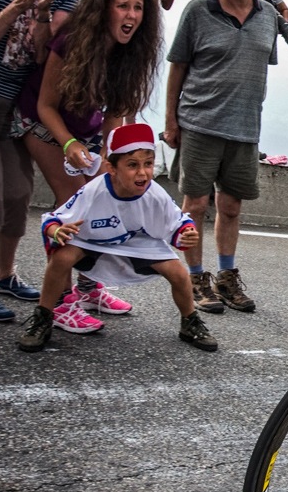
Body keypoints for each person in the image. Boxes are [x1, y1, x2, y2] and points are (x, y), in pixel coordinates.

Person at [11, 0, 161, 334]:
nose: (130, 15)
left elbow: (113, 119)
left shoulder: (130, 55)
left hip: (87, 131)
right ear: (103, 8)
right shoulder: (72, 42)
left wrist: (112, 164)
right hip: (42, 123)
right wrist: (69, 144)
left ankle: (90, 287)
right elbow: (46, 105)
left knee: (105, 199)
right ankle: (61, 303)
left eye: (138, 8)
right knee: (73, 201)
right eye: (122, 6)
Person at [18, 124, 217, 352]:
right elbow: (54, 219)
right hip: (93, 240)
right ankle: (43, 317)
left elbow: (178, 221)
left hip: (136, 241)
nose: (143, 173)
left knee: (179, 273)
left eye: (148, 164)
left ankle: (190, 323)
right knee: (62, 258)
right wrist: (56, 231)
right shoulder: (95, 190)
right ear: (111, 168)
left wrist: (186, 234)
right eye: (132, 165)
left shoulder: (155, 193)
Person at [165, 0, 277, 315]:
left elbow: (262, 63)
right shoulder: (198, 10)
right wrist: (170, 121)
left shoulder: (268, 16)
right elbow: (178, 66)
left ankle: (226, 277)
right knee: (195, 204)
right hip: (200, 121)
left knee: (231, 206)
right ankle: (196, 277)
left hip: (245, 127)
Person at [0, 0, 77, 322]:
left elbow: (44, 57)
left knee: (18, 192)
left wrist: (43, 12)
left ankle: (4, 274)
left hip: (18, 103)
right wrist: (17, 5)